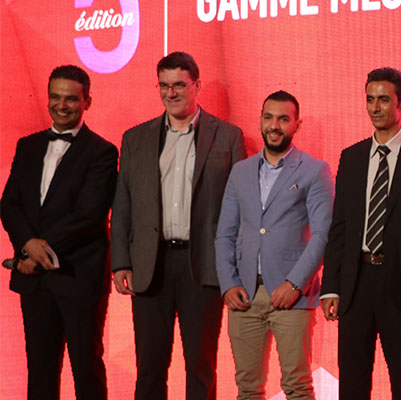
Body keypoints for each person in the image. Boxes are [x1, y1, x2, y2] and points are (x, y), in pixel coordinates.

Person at [109, 51, 246, 400]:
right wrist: (122, 260)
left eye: (180, 85)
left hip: (203, 267)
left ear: (196, 86)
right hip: (149, 265)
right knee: (150, 367)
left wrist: (235, 269)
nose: (172, 93)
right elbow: (123, 203)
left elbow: (240, 209)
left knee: (201, 367)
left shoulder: (228, 137)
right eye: (164, 86)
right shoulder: (135, 138)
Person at [319, 67, 401, 399]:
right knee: (353, 383)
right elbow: (341, 226)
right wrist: (331, 285)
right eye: (370, 99)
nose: (375, 108)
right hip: (355, 285)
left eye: (384, 100)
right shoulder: (352, 156)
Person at [0, 65, 117, 399]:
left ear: (87, 102)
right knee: (40, 371)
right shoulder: (28, 145)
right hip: (34, 281)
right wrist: (26, 245)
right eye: (55, 96)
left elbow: (89, 216)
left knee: (86, 370)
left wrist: (35, 254)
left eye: (70, 98)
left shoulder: (102, 151)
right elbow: (9, 205)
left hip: (79, 277)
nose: (61, 105)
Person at [215, 90, 334, 400]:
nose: (275, 125)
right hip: (244, 295)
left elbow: (323, 234)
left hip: (293, 297)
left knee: (298, 387)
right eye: (269, 117)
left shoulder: (314, 170)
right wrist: (228, 284)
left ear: (297, 124)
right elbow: (224, 233)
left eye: (283, 118)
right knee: (247, 389)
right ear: (260, 121)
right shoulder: (241, 171)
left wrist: (295, 284)